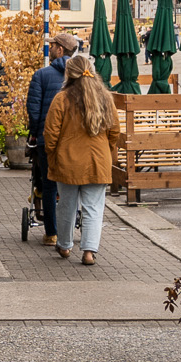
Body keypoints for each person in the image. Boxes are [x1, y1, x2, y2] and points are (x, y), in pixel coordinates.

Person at [42, 51, 121, 266]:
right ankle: (88, 252)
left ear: (69, 74)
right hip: (98, 161)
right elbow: (115, 130)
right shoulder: (105, 97)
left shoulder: (62, 98)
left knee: (66, 206)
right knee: (93, 208)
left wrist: (52, 155)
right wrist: (106, 149)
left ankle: (65, 245)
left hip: (67, 160)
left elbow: (51, 133)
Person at [26, 39, 68, 246]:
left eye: (52, 46)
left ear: (60, 49)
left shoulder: (41, 75)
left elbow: (34, 109)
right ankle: (68, 232)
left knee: (49, 185)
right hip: (72, 142)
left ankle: (51, 233)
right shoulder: (82, 76)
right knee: (70, 186)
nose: (49, 49)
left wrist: (34, 134)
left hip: (46, 139)